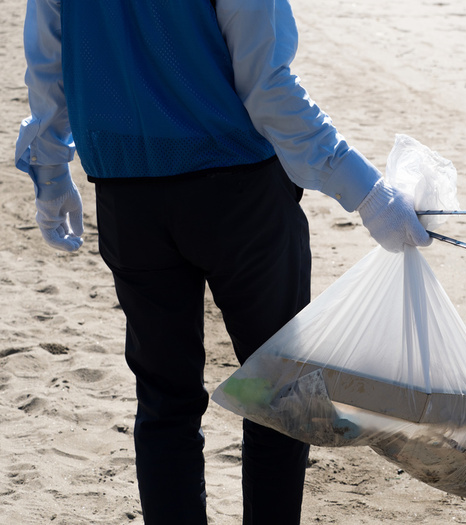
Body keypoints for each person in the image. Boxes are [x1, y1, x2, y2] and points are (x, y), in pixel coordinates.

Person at [16, 0, 431, 523]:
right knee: (277, 394)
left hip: (129, 200)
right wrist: (367, 193)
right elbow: (270, 91)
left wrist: (51, 173)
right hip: (240, 199)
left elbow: (47, 66)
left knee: (166, 402)